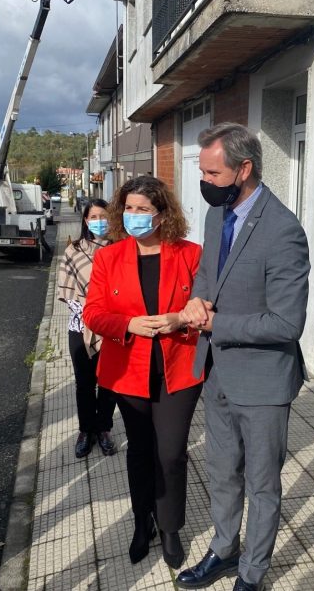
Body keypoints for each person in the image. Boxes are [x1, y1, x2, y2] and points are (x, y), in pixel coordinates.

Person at [177, 123, 310, 591]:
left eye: (213, 173)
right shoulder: (219, 216)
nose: (205, 181)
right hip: (217, 373)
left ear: (244, 168)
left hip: (263, 383)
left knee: (261, 484)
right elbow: (209, 280)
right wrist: (197, 302)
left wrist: (218, 325)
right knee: (221, 473)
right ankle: (223, 548)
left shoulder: (284, 231)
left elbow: (286, 324)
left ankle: (252, 575)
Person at [83, 176, 202, 569]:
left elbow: (205, 308)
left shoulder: (190, 254)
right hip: (127, 369)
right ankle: (142, 521)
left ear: (162, 214)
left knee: (169, 453)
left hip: (177, 369)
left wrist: (179, 319)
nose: (134, 216)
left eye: (143, 210)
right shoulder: (108, 257)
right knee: (139, 450)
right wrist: (127, 325)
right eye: (129, 209)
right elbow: (94, 313)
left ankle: (170, 526)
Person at [57, 198, 117, 458]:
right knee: (84, 383)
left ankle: (104, 429)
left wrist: (108, 318)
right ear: (85, 220)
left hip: (113, 328)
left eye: (104, 216)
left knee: (108, 382)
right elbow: (68, 291)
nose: (99, 221)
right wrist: (92, 316)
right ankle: (85, 430)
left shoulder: (121, 248)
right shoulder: (74, 250)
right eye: (94, 217)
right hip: (81, 327)